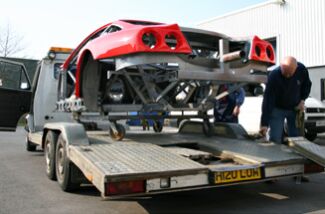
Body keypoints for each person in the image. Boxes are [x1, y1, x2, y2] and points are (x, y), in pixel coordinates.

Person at [259, 56, 312, 143]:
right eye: (285, 73)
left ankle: (296, 156)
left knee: (296, 139)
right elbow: (268, 100)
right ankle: (275, 155)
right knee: (275, 138)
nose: (287, 76)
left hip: (295, 108)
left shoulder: (302, 70)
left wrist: (302, 100)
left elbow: (307, 86)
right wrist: (264, 123)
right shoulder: (273, 76)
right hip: (277, 109)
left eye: (290, 74)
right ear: (280, 67)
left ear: (296, 68)